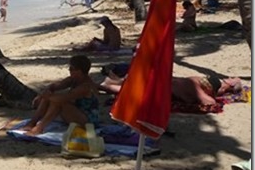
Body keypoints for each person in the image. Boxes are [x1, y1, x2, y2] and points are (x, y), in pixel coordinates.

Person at [21, 55, 100, 136]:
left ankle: (39, 128)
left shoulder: (85, 87)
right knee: (51, 98)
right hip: (77, 113)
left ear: (79, 71)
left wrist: (44, 96)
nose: (69, 70)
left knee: (59, 102)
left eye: (72, 69)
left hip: (88, 121)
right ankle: (32, 123)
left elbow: (64, 98)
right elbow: (54, 87)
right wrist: (46, 93)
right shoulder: (73, 80)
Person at [100, 72, 242, 106]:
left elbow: (208, 100)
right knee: (135, 88)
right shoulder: (194, 85)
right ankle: (108, 84)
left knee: (134, 87)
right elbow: (208, 101)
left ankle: (107, 83)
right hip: (167, 85)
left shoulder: (194, 84)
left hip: (167, 84)